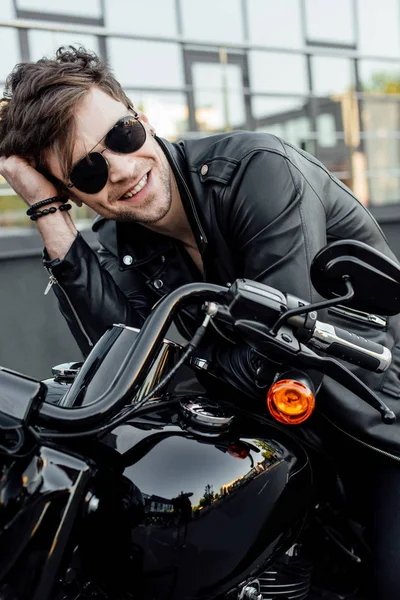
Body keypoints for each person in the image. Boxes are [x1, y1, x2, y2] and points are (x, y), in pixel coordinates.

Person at [0, 46, 400, 598]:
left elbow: (278, 351)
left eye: (119, 137)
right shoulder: (120, 241)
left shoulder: (260, 171)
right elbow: (127, 370)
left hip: (371, 424)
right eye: (87, 172)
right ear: (74, 195)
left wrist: (190, 364)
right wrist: (48, 213)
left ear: (140, 119)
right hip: (270, 444)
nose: (119, 170)